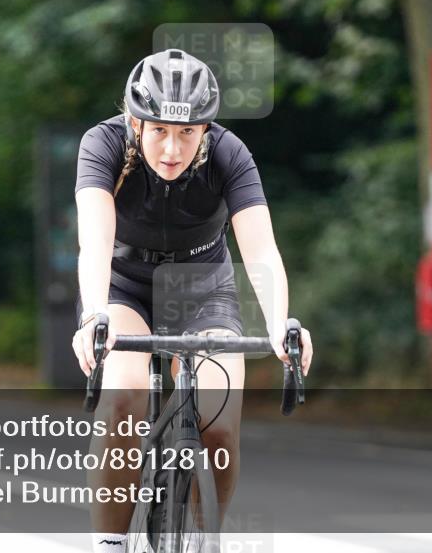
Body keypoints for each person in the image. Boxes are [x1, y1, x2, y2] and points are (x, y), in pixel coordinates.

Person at [73, 48, 314, 552]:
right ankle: (108, 545)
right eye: (159, 129)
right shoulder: (103, 144)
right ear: (135, 122)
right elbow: (93, 240)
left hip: (204, 290)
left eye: (187, 132)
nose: (171, 148)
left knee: (220, 426)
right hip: (124, 288)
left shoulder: (230, 153)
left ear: (206, 129)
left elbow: (261, 249)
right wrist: (94, 313)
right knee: (124, 394)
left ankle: (207, 541)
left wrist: (279, 324)